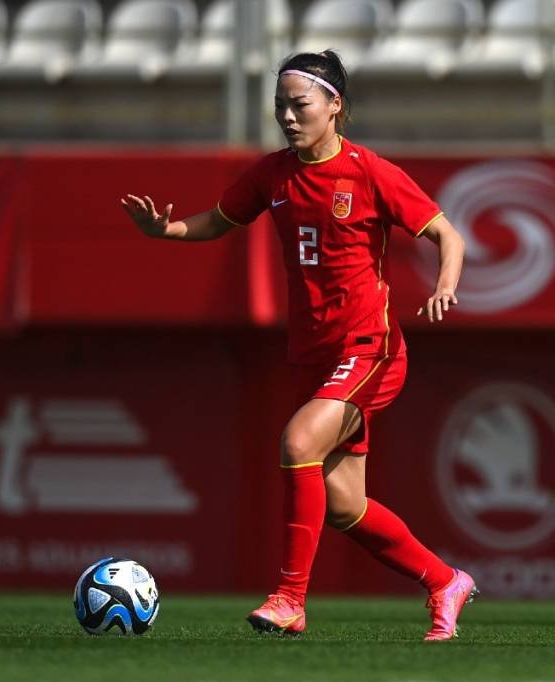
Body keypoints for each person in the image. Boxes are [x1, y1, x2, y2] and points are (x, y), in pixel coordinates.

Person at [121, 50, 475, 642]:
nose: (287, 116)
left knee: (297, 439)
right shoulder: (273, 174)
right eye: (280, 105)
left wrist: (444, 285)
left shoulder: (369, 173)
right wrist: (168, 230)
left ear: (334, 106)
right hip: (318, 354)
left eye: (299, 104)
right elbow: (220, 219)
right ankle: (445, 581)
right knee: (343, 505)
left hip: (371, 346)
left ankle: (290, 599)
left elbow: (446, 233)